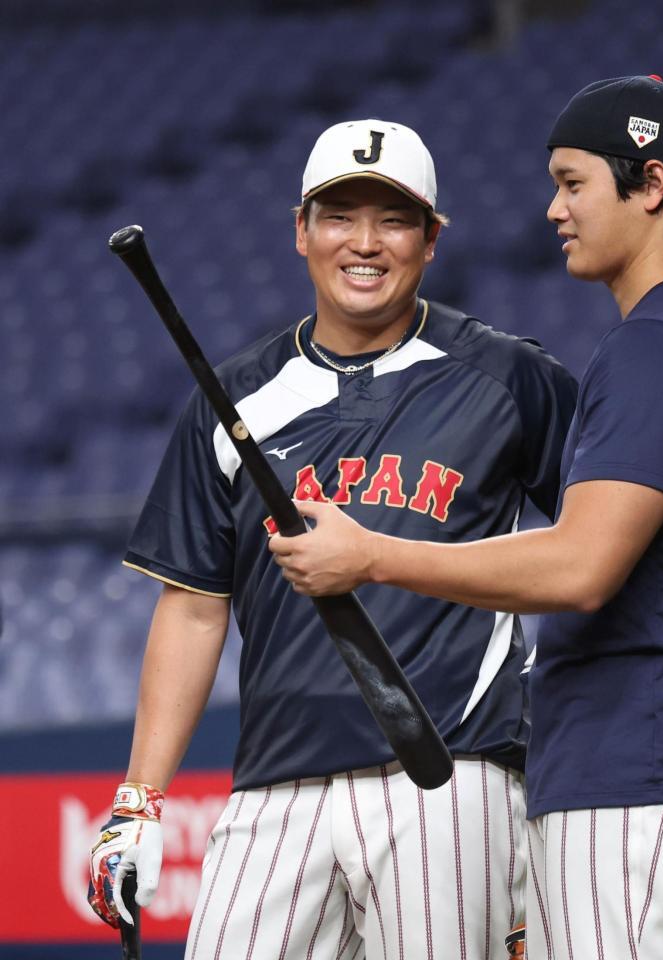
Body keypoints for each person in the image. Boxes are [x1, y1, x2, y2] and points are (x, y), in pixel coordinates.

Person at [269, 76, 663, 959]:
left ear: (652, 185)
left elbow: (577, 568)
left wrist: (372, 555)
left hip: (643, 764)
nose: (554, 208)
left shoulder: (658, 344)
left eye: (572, 180)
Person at [87, 118, 578, 959]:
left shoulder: (508, 377)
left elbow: (597, 542)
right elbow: (194, 608)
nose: (364, 243)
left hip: (447, 772)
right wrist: (139, 799)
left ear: (431, 238)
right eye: (338, 215)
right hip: (275, 779)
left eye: (392, 219)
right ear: (301, 232)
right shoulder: (234, 396)